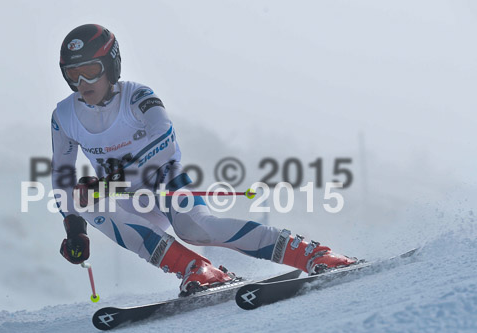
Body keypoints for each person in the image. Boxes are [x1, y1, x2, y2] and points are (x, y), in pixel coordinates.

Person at [51, 24, 355, 297]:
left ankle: (312, 254)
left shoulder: (138, 97)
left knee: (195, 230)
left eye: (90, 70)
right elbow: (61, 175)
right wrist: (75, 231)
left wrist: (109, 182)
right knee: (83, 199)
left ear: (110, 65)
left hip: (163, 180)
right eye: (73, 75)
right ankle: (197, 269)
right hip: (123, 198)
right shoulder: (64, 116)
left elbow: (165, 144)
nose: (82, 83)